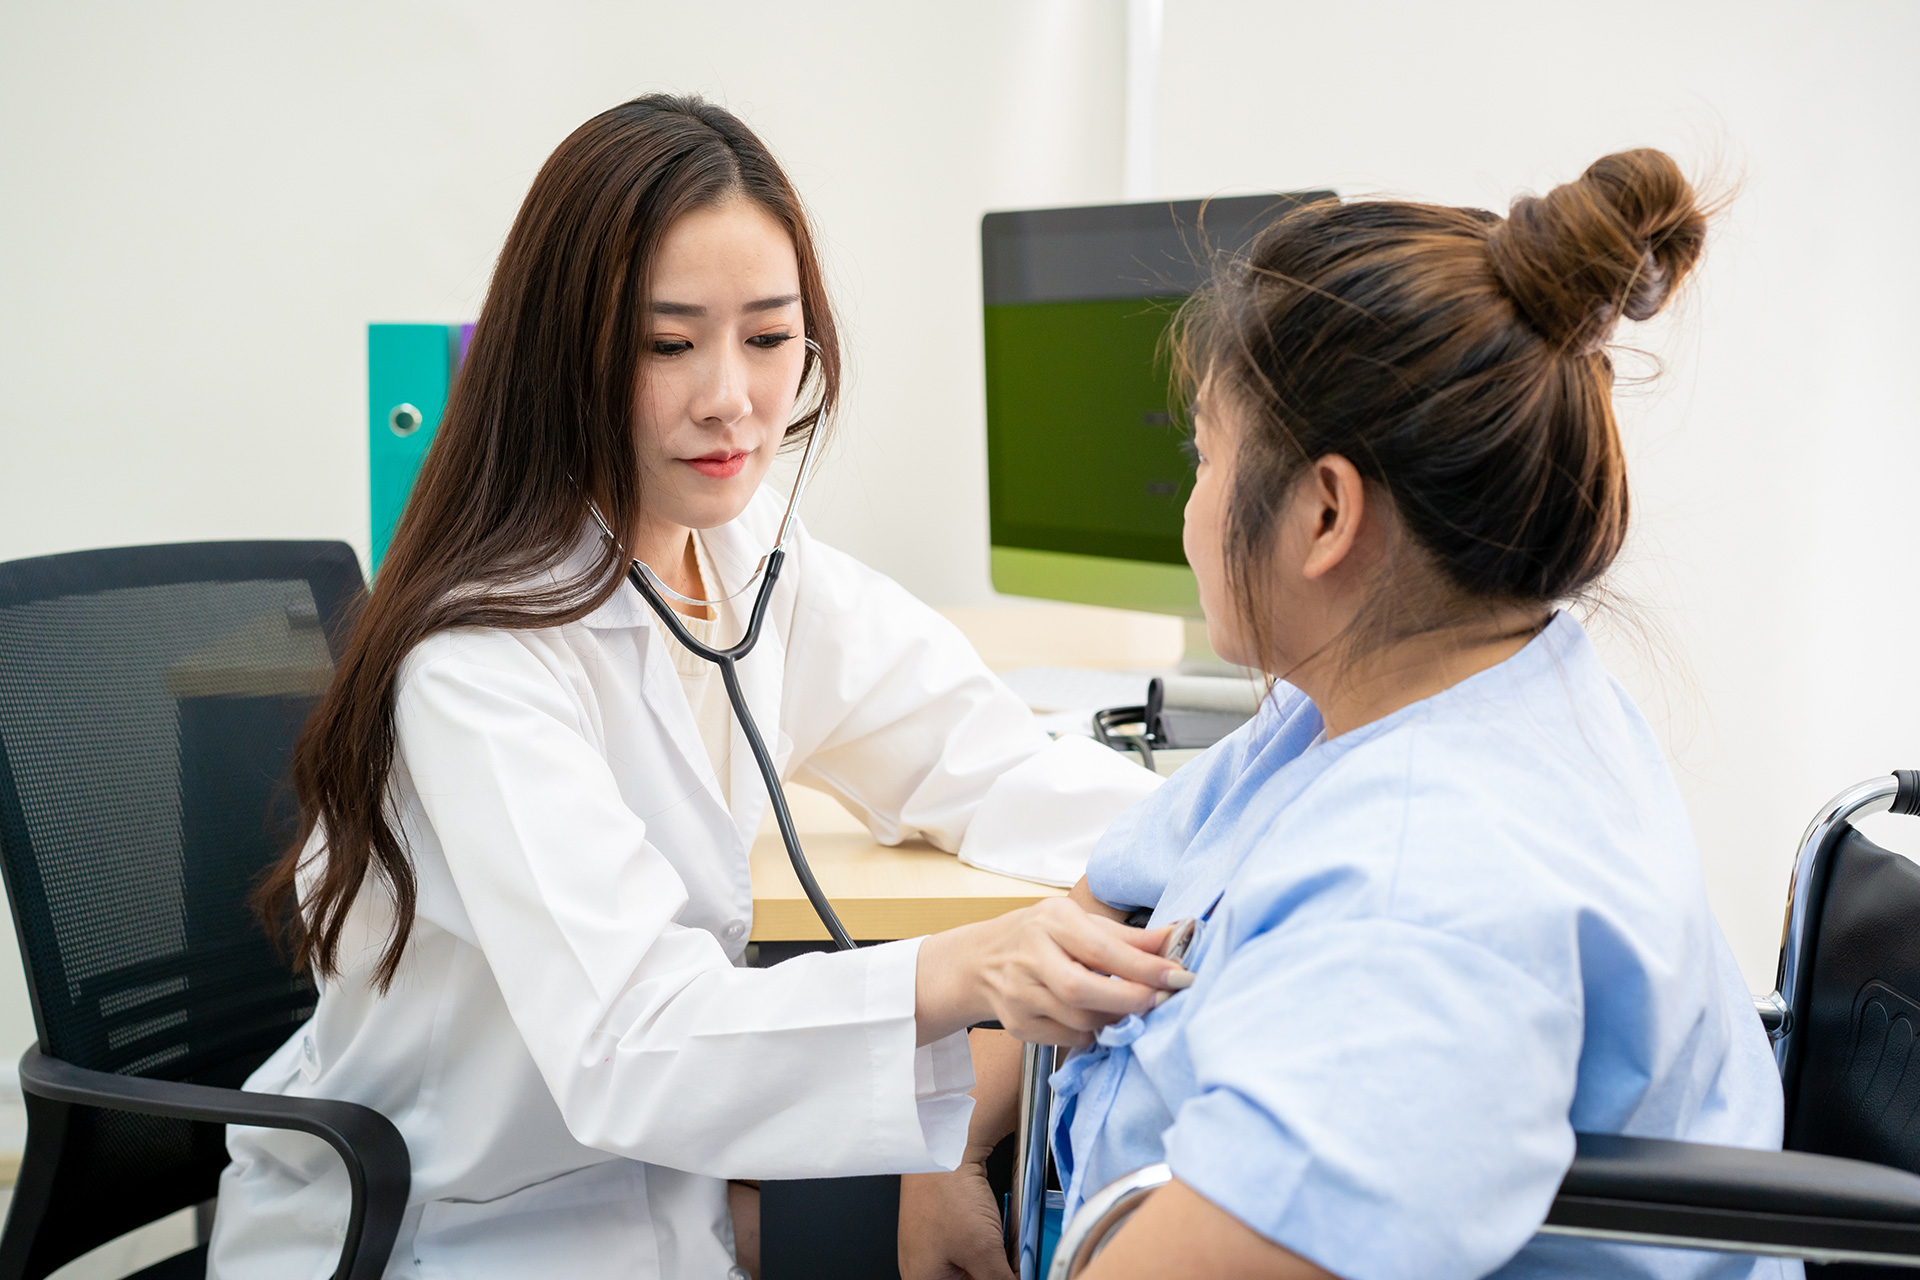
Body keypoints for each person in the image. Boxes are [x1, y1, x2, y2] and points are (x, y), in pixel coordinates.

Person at [207, 94, 1186, 1280]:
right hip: (447, 1226)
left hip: (655, 1195)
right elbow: (632, 1035)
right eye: (669, 344)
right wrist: (963, 969)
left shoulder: (738, 547)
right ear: (562, 353)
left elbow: (976, 758)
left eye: (769, 339)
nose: (730, 397)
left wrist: (1222, 826)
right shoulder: (476, 661)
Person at [900, 151, 1795, 1279]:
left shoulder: (1422, 907)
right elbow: (1098, 916)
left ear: (1324, 512)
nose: (1191, 506)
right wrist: (946, 1145)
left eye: (1204, 456)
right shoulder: (1394, 691)